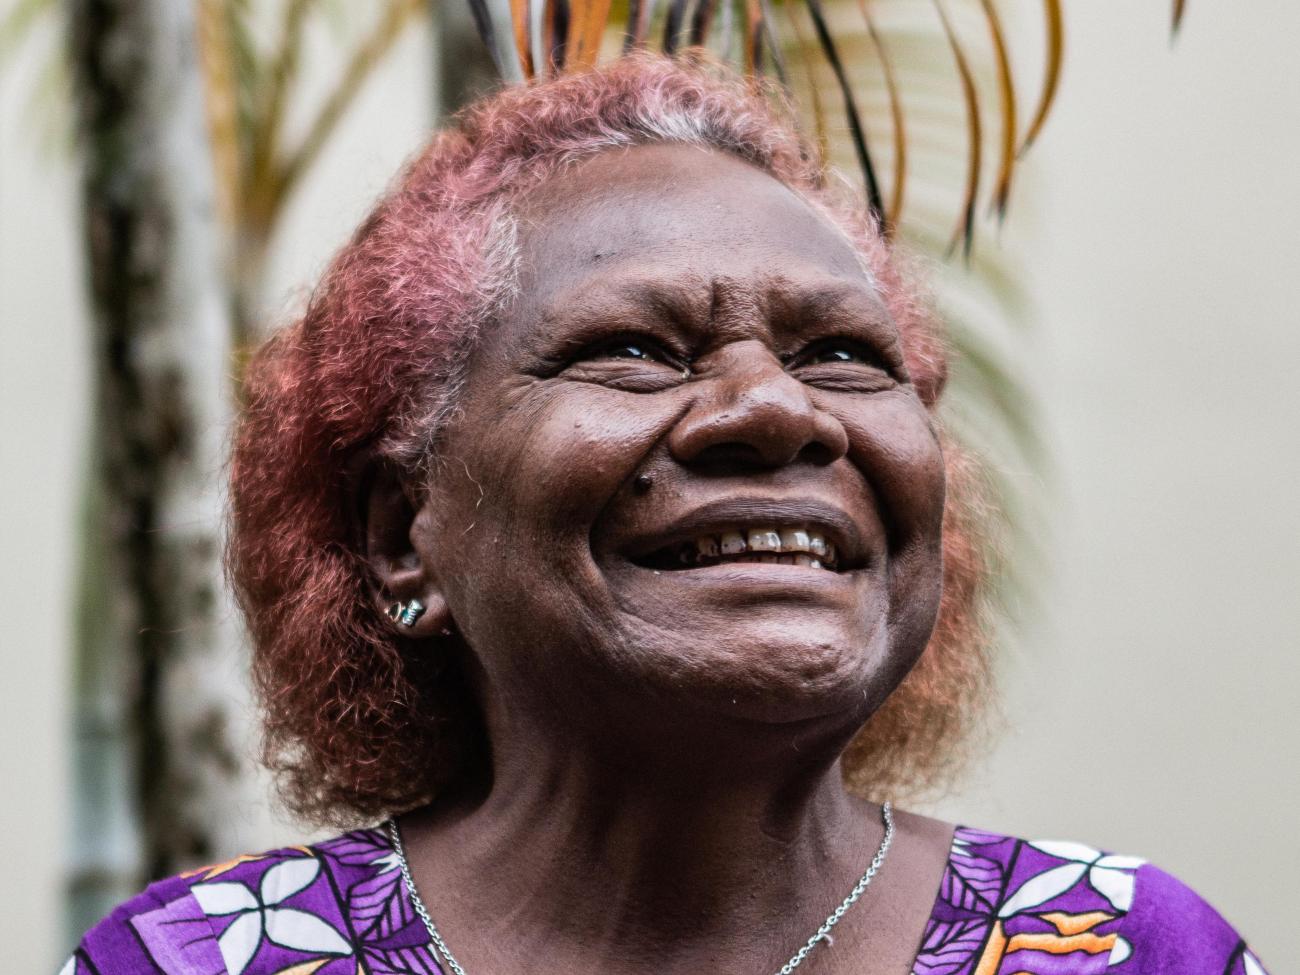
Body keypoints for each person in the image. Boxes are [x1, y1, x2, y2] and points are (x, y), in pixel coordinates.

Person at [62, 54, 1269, 975]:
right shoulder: (194, 962)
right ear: (399, 531)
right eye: (634, 349)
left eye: (845, 353)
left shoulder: (1124, 951)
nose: (775, 408)